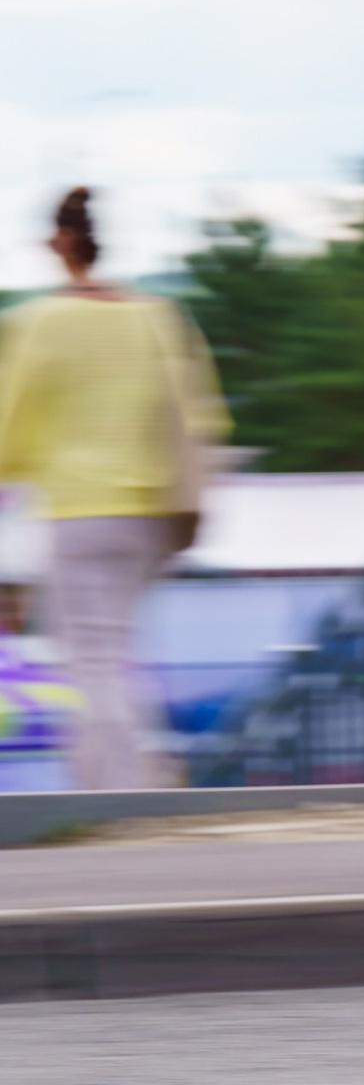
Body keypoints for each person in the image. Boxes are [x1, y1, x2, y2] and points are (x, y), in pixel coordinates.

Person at [0, 188, 230, 790]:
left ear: (59, 243)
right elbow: (202, 414)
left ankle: (118, 793)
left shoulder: (40, 320)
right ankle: (137, 774)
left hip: (81, 510)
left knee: (91, 660)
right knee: (117, 650)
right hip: (152, 513)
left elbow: (11, 418)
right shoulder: (156, 315)